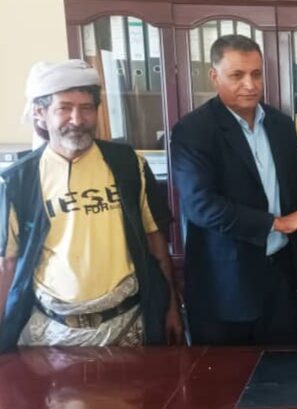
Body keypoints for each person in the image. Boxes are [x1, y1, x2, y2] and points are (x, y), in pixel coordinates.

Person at [0, 60, 181, 352]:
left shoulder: (127, 165)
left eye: (86, 108)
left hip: (128, 324)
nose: (77, 119)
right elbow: (8, 264)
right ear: (40, 112)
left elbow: (155, 240)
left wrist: (171, 306)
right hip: (52, 333)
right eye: (64, 108)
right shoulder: (19, 181)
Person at [170, 35, 297, 345]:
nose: (250, 85)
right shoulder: (193, 131)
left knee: (283, 369)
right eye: (237, 75)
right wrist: (277, 223)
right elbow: (201, 205)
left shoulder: (281, 125)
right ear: (214, 76)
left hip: (281, 277)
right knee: (227, 374)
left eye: (256, 74)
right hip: (225, 287)